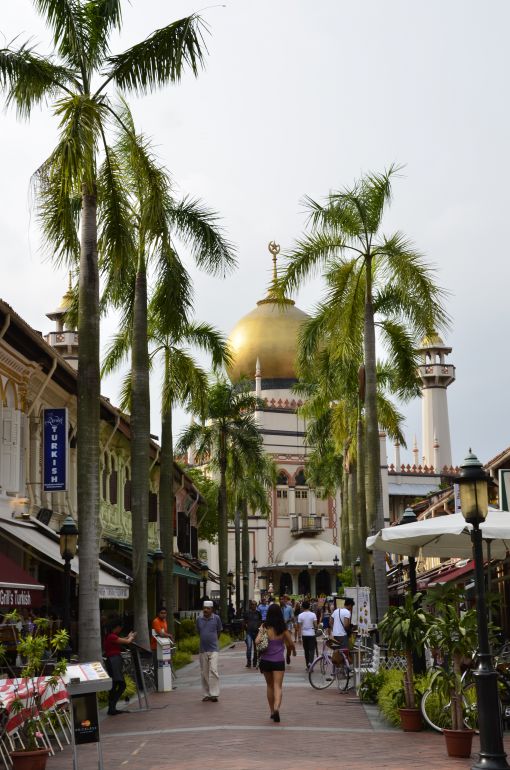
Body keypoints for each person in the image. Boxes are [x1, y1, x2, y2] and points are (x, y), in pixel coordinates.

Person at [256, 603, 296, 722]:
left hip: (265, 660)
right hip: (278, 661)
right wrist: (292, 651)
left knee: (269, 686)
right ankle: (277, 707)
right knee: (278, 686)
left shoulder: (264, 626)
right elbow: (291, 643)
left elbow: (257, 641)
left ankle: (272, 711)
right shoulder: (282, 628)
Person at [103, 618, 136, 715]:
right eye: (119, 628)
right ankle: (112, 706)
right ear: (116, 627)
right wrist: (131, 637)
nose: (120, 629)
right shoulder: (111, 636)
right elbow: (127, 642)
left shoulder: (111, 636)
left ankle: (112, 708)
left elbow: (123, 639)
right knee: (121, 684)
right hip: (114, 661)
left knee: (115, 684)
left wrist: (128, 637)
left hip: (114, 660)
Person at [196, 600, 222, 702]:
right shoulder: (199, 619)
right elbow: (199, 631)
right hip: (202, 649)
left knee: (213, 670)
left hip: (214, 649)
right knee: (204, 672)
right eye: (204, 608)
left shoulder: (216, 618)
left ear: (212, 609)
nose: (205, 610)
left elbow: (219, 631)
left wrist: (214, 641)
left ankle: (214, 694)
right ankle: (206, 694)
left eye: (208, 608)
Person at [150, 607, 173, 689]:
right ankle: (158, 685)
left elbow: (164, 632)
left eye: (165, 613)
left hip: (163, 646)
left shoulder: (164, 621)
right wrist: (169, 635)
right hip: (156, 647)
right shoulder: (156, 621)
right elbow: (160, 633)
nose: (163, 615)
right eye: (162, 613)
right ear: (158, 613)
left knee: (166, 665)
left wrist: (167, 636)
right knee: (158, 667)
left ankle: (166, 684)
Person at [297, 600, 318, 670]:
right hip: (312, 634)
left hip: (304, 634)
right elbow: (315, 625)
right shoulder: (313, 614)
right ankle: (311, 663)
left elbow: (299, 627)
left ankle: (307, 665)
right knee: (312, 650)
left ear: (302, 607)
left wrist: (299, 637)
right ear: (309, 606)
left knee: (306, 650)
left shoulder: (300, 615)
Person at [243, 600, 262, 668]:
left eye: (255, 604)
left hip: (256, 632)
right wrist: (245, 627)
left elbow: (260, 621)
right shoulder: (247, 613)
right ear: (250, 605)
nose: (253, 606)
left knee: (256, 648)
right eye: (252, 604)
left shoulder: (258, 613)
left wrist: (259, 629)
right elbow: (244, 622)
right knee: (249, 647)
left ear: (256, 605)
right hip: (249, 633)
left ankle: (254, 662)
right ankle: (248, 662)